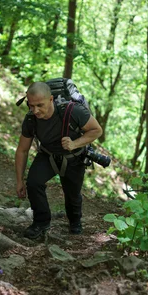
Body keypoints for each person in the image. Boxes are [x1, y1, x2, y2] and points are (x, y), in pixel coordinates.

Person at [15, 81, 103, 239]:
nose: (35, 110)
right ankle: (41, 222)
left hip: (74, 158)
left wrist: (75, 143)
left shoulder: (73, 111)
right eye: (31, 105)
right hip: (47, 155)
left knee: (72, 194)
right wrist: (19, 180)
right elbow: (22, 150)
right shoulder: (30, 119)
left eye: (40, 105)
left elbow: (97, 130)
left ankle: (75, 222)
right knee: (34, 183)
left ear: (51, 99)